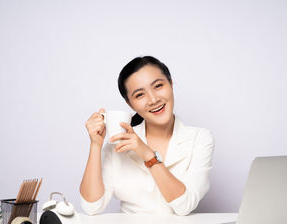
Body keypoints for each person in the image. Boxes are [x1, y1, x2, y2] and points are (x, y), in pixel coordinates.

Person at [80, 56, 214, 215]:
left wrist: (148, 154)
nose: (153, 99)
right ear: (130, 104)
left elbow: (185, 205)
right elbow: (92, 207)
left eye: (158, 86)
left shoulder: (199, 138)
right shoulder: (119, 143)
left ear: (170, 84)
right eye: (139, 95)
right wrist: (95, 145)